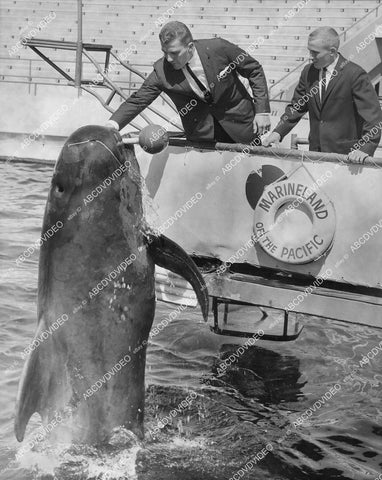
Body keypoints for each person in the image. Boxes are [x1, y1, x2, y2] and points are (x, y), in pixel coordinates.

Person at [105, 21, 271, 144]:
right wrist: (112, 125)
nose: (169, 59)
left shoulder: (219, 48)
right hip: (203, 139)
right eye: (165, 52)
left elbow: (254, 70)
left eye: (174, 53)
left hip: (243, 127)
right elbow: (138, 100)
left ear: (190, 47)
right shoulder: (161, 71)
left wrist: (262, 111)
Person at [263, 27, 382, 162]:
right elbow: (297, 107)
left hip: (348, 158)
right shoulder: (308, 72)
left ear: (332, 51)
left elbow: (373, 117)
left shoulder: (355, 74)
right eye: (309, 51)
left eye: (315, 53)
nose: (310, 56)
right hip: (315, 154)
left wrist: (365, 148)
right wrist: (278, 131)